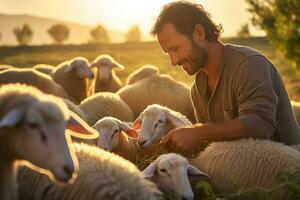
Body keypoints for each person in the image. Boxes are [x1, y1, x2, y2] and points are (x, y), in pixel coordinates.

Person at [150, 1, 300, 153]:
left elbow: (260, 124)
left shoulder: (249, 65)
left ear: (199, 33)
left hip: (288, 169)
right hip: (241, 171)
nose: (173, 61)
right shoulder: (197, 91)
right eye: (168, 53)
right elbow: (212, 142)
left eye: (175, 49)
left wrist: (198, 132)